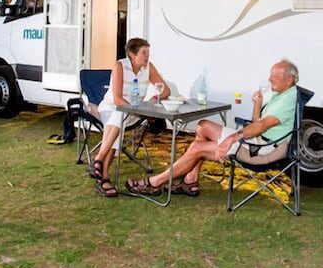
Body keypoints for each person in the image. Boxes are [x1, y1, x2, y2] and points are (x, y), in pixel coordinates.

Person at [126, 59, 298, 197]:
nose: (269, 79)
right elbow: (257, 121)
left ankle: (155, 183)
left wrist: (231, 138)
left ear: (289, 80)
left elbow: (260, 126)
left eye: (274, 76)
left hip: (263, 149)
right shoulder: (280, 95)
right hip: (258, 140)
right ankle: (191, 180)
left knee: (196, 148)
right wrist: (258, 104)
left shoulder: (287, 100)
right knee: (203, 126)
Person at [89, 37, 170, 197]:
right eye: (144, 53)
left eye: (148, 52)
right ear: (132, 55)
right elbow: (118, 100)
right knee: (118, 116)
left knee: (119, 119)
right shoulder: (120, 66)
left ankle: (99, 163)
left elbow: (165, 91)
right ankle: (102, 176)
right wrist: (137, 111)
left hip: (133, 112)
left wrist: (154, 99)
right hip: (111, 108)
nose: (147, 56)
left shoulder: (149, 68)